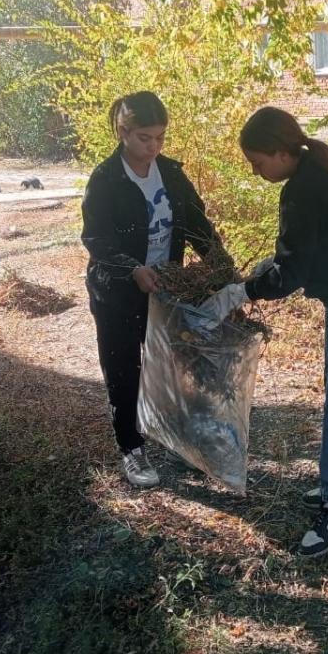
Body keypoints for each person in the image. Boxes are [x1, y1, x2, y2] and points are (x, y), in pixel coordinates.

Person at [200, 106, 328, 559]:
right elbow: (302, 253)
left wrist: (242, 292)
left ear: (281, 151)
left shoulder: (304, 187)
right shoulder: (313, 170)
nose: (256, 172)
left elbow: (291, 275)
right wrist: (267, 269)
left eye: (258, 162)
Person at [82, 91, 228, 488]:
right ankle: (131, 448)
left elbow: (198, 223)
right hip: (118, 293)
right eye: (145, 137)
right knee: (123, 369)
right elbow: (96, 238)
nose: (154, 146)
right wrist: (132, 270)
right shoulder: (106, 180)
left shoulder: (172, 174)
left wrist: (222, 264)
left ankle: (170, 433)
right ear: (124, 132)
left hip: (166, 288)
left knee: (167, 364)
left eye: (161, 137)